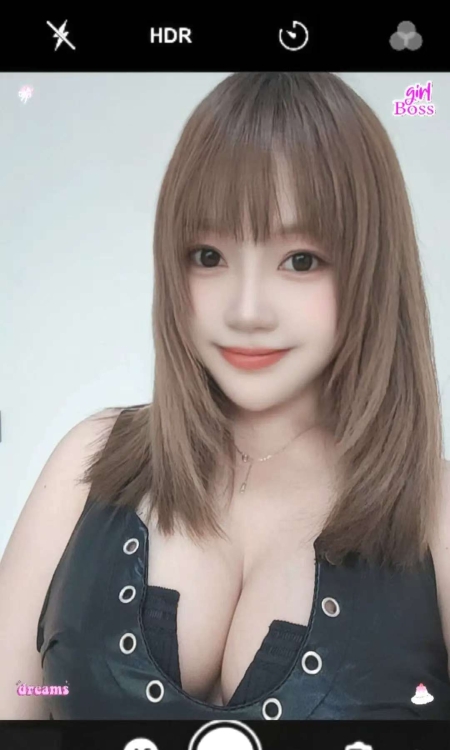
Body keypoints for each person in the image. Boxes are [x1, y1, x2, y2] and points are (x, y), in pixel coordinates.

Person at [1, 72, 450, 721]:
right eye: (209, 255)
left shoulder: (435, 513)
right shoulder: (91, 463)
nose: (246, 311)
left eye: (300, 260)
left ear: (369, 269)